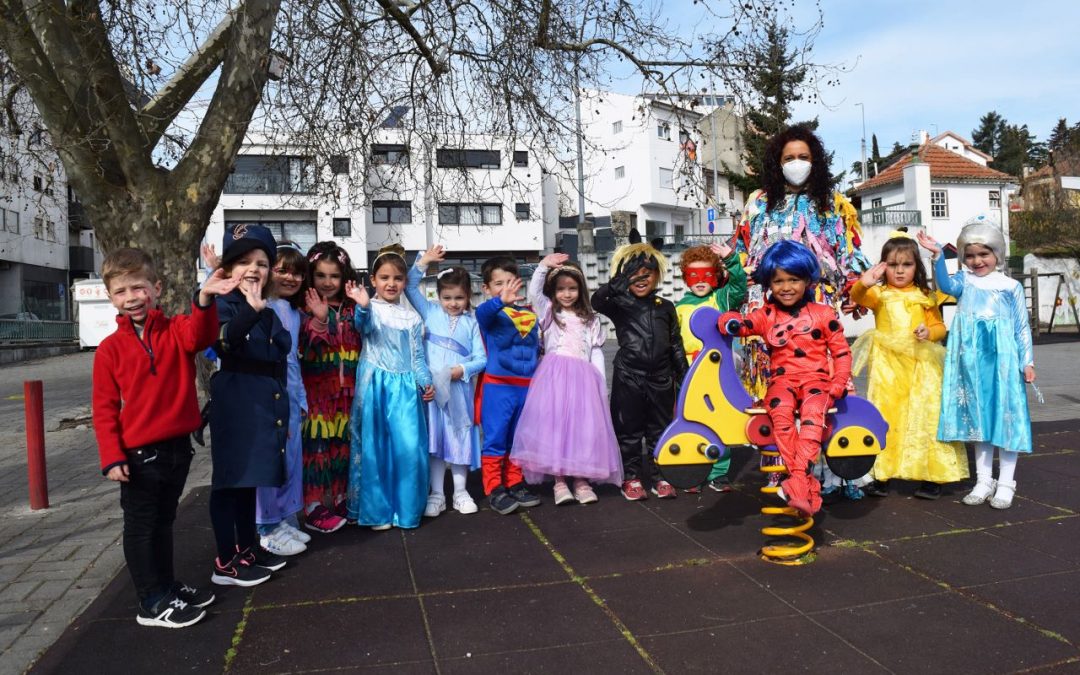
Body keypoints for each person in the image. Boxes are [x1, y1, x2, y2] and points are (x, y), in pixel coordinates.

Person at [93, 248, 235, 627]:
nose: (131, 298)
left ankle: (167, 586)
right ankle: (151, 602)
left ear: (156, 288)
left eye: (138, 288)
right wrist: (112, 456)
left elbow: (202, 335)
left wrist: (205, 298)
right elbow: (104, 408)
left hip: (176, 449)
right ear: (111, 297)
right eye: (121, 292)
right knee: (142, 527)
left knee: (164, 523)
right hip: (138, 455)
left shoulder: (175, 329)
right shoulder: (109, 349)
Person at [718, 240, 852, 517]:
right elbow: (744, 325)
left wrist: (838, 382)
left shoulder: (823, 314)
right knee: (780, 415)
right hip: (783, 381)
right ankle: (802, 482)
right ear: (769, 283)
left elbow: (841, 353)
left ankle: (797, 480)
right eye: (778, 281)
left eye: (794, 279)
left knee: (814, 415)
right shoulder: (768, 314)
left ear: (808, 280)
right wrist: (726, 322)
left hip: (816, 381)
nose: (786, 287)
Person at [917, 217, 1035, 509]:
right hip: (971, 362)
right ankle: (984, 480)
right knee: (980, 420)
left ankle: (1006, 483)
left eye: (983, 254)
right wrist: (936, 256)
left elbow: (1022, 327)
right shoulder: (964, 282)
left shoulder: (1010, 286)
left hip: (1003, 361)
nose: (976, 260)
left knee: (1005, 419)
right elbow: (943, 284)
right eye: (969, 255)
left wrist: (1027, 361)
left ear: (997, 253)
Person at [851, 230, 968, 499]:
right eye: (892, 265)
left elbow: (939, 326)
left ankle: (933, 475)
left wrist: (930, 333)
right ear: (883, 267)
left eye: (906, 264)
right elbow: (859, 297)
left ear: (916, 266)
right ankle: (882, 472)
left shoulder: (925, 296)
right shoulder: (878, 295)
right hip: (887, 368)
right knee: (885, 417)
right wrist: (863, 282)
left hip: (921, 367)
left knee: (925, 418)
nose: (900, 271)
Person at [209, 224, 291, 587]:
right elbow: (224, 343)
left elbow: (277, 357)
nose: (253, 269)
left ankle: (246, 547)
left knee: (248, 483)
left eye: (261, 261)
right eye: (242, 261)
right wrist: (251, 312)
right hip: (236, 402)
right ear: (227, 269)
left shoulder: (267, 311)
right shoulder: (223, 304)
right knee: (229, 483)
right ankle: (225, 560)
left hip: (262, 405)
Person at [512, 253, 622, 504]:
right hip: (554, 379)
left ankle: (581, 480)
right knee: (556, 428)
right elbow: (534, 294)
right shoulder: (549, 312)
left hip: (584, 381)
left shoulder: (591, 319)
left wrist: (600, 384)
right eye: (561, 289)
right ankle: (559, 481)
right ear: (553, 291)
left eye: (572, 288)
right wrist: (542, 267)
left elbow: (595, 351)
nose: (567, 294)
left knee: (582, 429)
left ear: (580, 289)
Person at [592, 230, 687, 501]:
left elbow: (675, 343)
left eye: (647, 273)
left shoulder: (665, 306)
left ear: (658, 275)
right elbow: (596, 301)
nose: (641, 279)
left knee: (660, 428)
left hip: (661, 377)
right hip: (629, 375)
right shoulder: (619, 303)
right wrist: (616, 283)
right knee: (629, 430)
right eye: (633, 274)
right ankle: (631, 476)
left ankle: (661, 476)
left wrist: (684, 374)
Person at [345, 245, 434, 529]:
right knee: (376, 449)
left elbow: (418, 357)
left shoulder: (413, 318)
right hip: (376, 387)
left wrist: (425, 382)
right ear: (373, 280)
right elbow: (364, 327)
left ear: (405, 282)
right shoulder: (371, 310)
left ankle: (406, 510)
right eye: (384, 277)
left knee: (409, 449)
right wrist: (362, 306)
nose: (391, 283)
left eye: (397, 278)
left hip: (406, 389)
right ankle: (377, 511)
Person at [405, 245, 486, 517]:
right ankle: (437, 494)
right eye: (447, 297)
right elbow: (409, 285)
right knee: (436, 442)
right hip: (432, 393)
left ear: (468, 297)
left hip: (459, 391)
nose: (453, 302)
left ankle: (461, 492)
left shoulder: (472, 322)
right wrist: (422, 261)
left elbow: (481, 358)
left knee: (460, 439)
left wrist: (460, 370)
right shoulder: (429, 312)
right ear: (437, 296)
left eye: (459, 297)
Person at [674, 241, 747, 492]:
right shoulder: (679, 307)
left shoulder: (721, 299)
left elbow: (739, 286)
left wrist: (732, 260)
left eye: (706, 274)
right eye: (693, 275)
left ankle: (718, 472)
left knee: (719, 419)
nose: (700, 280)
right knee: (691, 419)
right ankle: (693, 469)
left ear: (716, 276)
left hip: (718, 371)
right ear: (685, 278)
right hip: (689, 372)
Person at [255, 242, 313, 555]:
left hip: (291, 395)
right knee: (270, 462)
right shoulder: (259, 307)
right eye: (283, 270)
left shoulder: (294, 311)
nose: (290, 277)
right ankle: (266, 525)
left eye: (297, 273)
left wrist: (301, 399)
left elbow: (294, 362)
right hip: (267, 397)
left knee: (290, 458)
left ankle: (284, 516)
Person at [298, 242, 361, 533]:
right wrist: (319, 320)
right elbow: (305, 346)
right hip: (317, 395)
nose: (327, 282)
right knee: (317, 450)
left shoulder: (351, 309)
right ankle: (313, 506)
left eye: (334, 276)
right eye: (320, 276)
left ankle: (339, 498)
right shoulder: (304, 307)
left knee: (342, 449)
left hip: (347, 396)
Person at [475, 256, 543, 515]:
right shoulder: (488, 313)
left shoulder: (528, 312)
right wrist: (498, 302)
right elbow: (482, 313)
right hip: (498, 386)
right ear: (487, 288)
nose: (505, 288)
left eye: (509, 282)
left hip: (526, 386)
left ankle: (515, 481)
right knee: (495, 438)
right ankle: (494, 487)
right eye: (498, 283)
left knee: (518, 439)